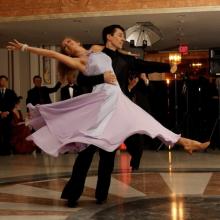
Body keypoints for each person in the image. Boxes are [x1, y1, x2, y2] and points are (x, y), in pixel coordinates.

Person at [7, 36, 209, 205]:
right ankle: (73, 194)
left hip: (118, 98)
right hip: (101, 102)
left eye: (69, 40)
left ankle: (185, 142)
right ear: (67, 51)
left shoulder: (95, 49)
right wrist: (25, 47)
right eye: (65, 45)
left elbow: (116, 54)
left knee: (146, 123)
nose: (68, 43)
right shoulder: (78, 62)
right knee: (87, 152)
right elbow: (51, 54)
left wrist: (128, 55)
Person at [0, 75, 17, 155]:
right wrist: (0, 113)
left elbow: (13, 103)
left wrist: (7, 112)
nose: (2, 82)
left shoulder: (11, 92)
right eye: (1, 80)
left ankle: (6, 150)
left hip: (8, 115)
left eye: (4, 81)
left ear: (6, 82)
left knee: (7, 133)